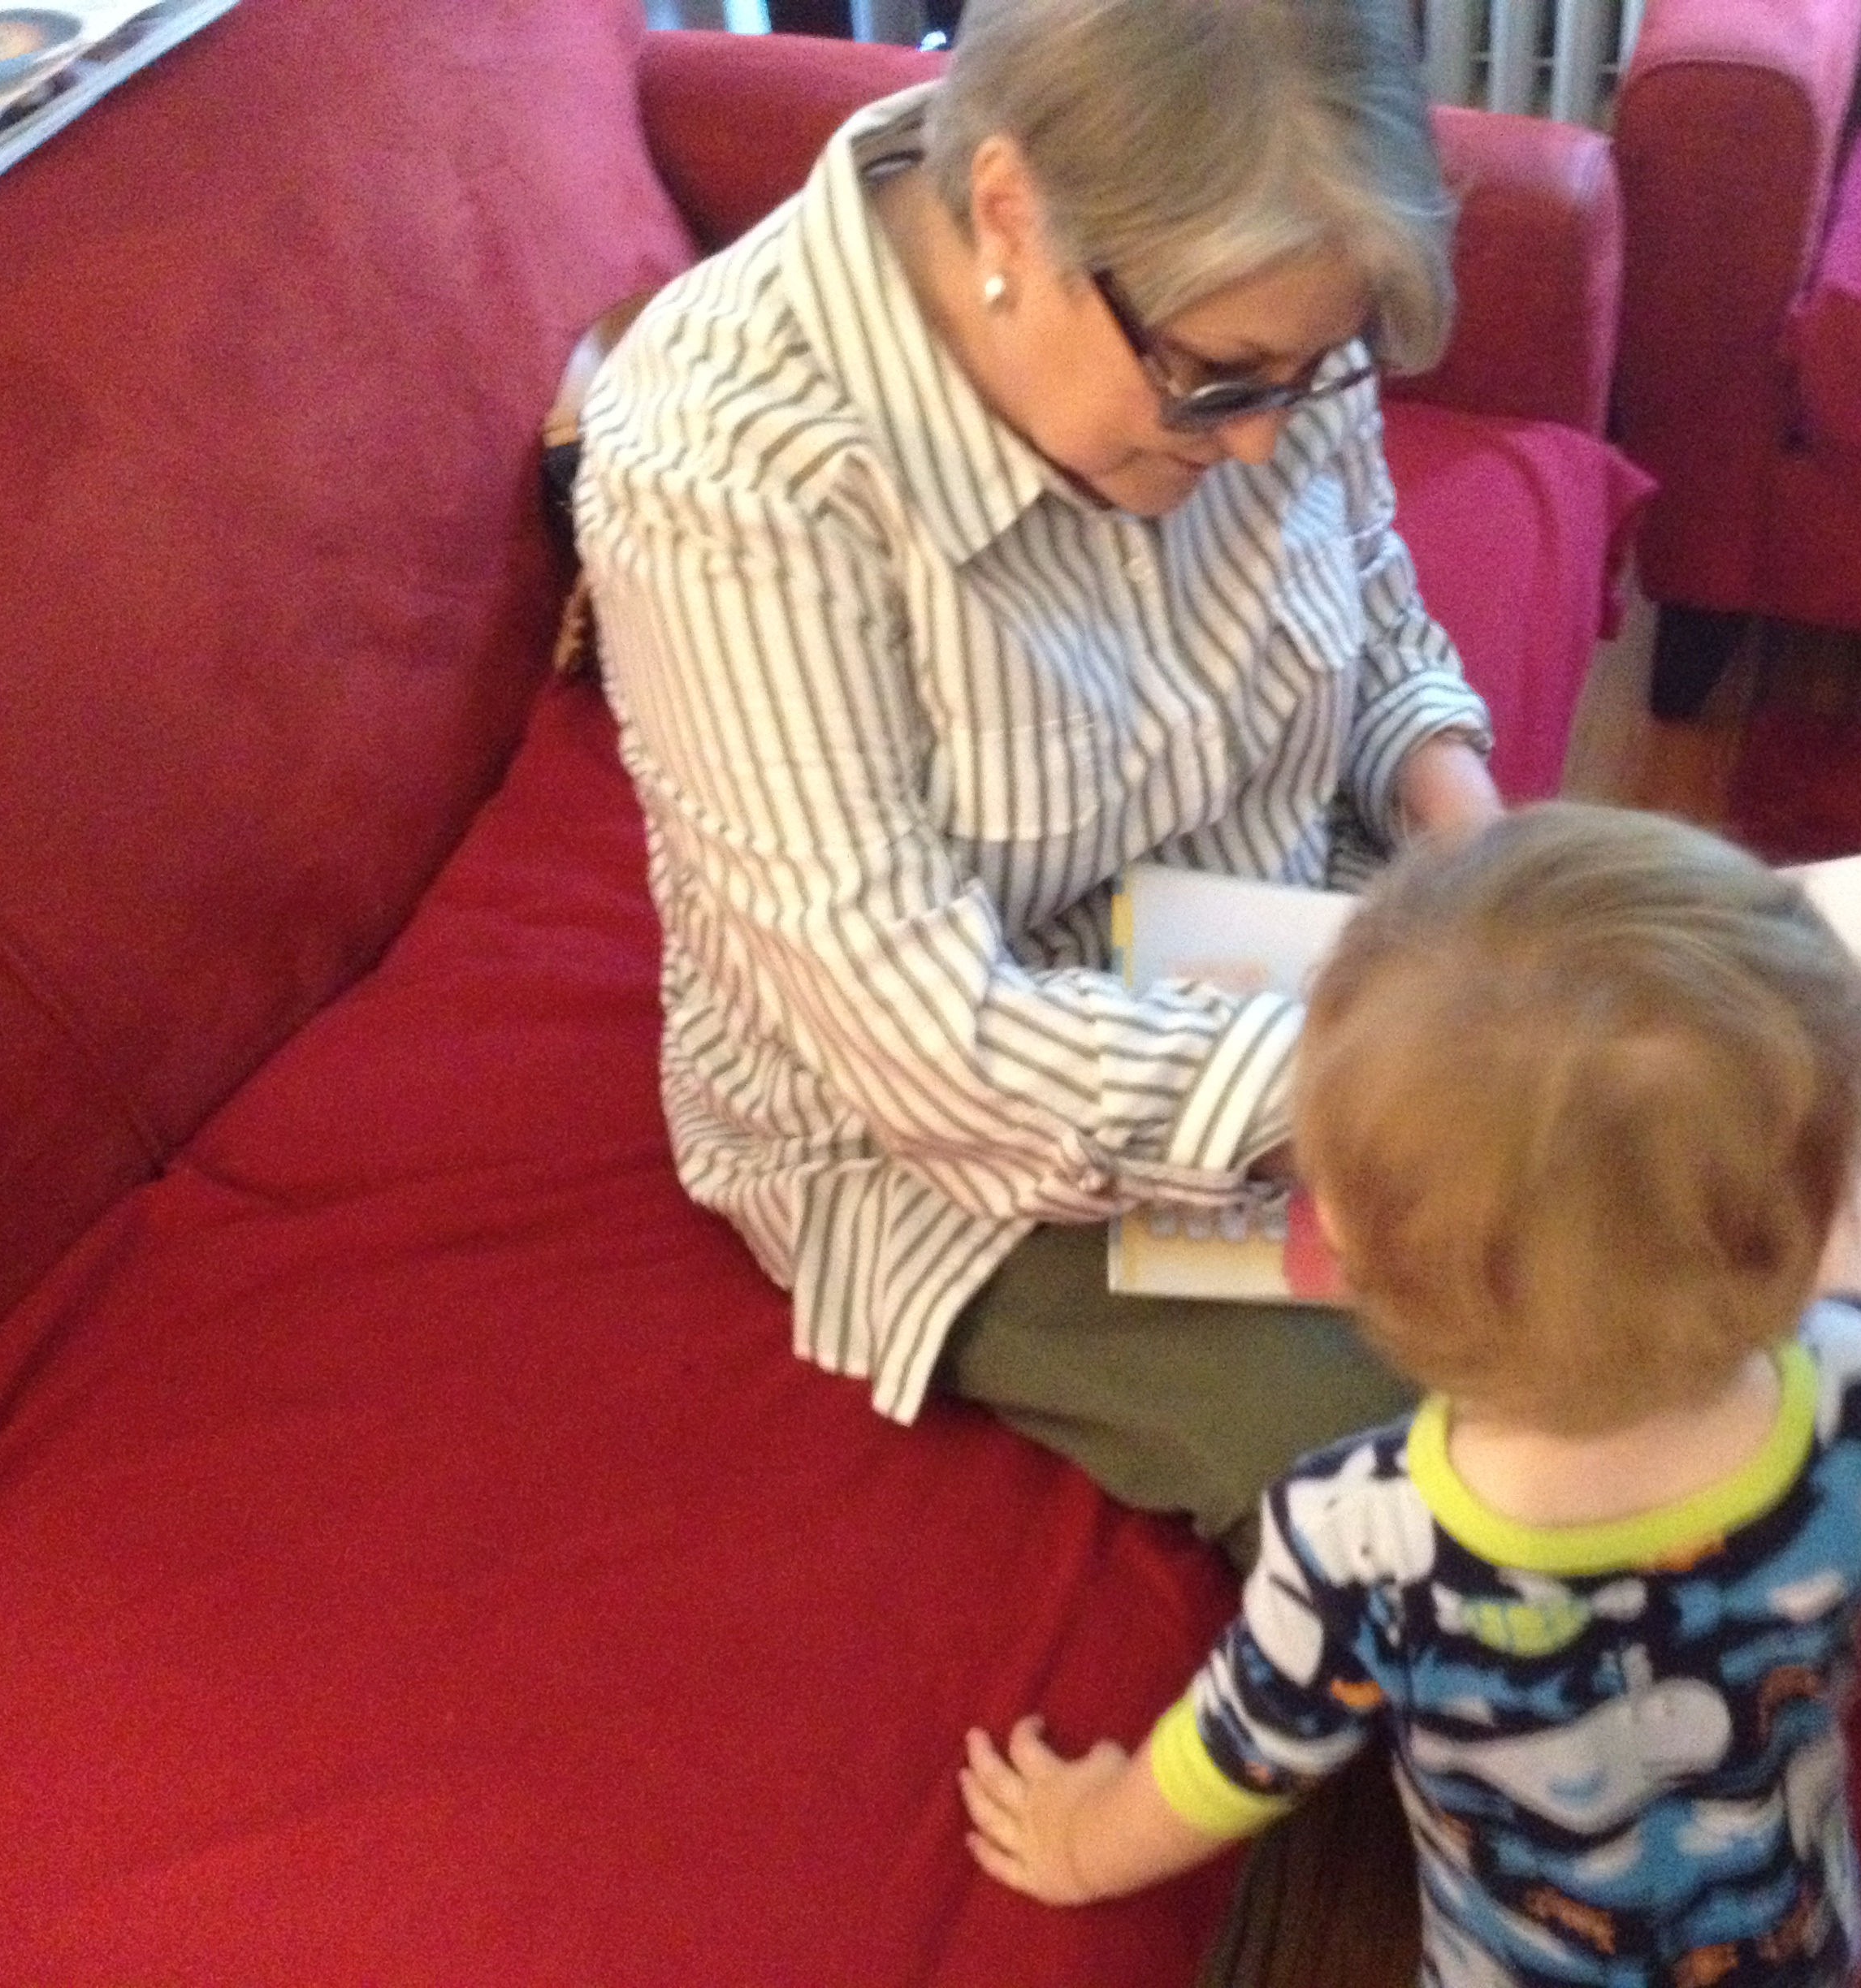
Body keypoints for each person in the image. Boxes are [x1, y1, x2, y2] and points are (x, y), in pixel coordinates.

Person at [573, 0, 1502, 1562]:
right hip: (959, 1140)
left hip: (1290, 962)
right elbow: (926, 1045)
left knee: (1681, 1285)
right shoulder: (727, 470)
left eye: (1312, 378)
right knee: (1464, 1485)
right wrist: (1398, 1094)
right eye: (1221, 381)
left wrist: (1479, 846)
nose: (1265, 444)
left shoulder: (1245, 305)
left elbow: (1374, 600)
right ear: (1012, 211)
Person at [959, 802, 1861, 1986]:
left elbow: (1241, 1752)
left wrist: (1083, 1844)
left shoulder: (1359, 1536)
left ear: (1342, 1242)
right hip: (1784, 1938)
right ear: (1799, 1227)